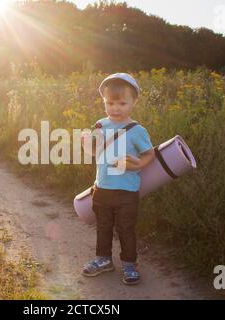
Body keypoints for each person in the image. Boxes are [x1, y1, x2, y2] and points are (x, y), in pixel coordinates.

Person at [81, 73, 156, 285]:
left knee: (126, 229)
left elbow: (149, 154)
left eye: (122, 103)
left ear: (134, 101)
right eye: (110, 103)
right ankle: (103, 259)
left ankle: (130, 264)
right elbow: (95, 154)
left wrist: (138, 164)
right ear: (104, 101)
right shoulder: (100, 125)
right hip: (102, 188)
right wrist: (86, 144)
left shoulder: (137, 130)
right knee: (103, 227)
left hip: (126, 192)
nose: (115, 108)